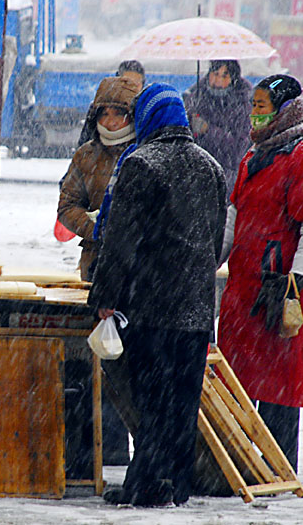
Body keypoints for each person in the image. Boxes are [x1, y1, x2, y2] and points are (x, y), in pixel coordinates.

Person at [89, 83, 227, 506]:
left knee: (151, 400)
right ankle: (176, 484)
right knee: (183, 402)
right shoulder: (212, 167)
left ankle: (146, 486)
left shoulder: (140, 164)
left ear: (149, 117)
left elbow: (120, 240)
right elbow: (217, 240)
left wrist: (105, 295)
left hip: (150, 306)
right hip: (197, 309)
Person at [217, 75, 303, 473]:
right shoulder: (253, 157)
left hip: (280, 292)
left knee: (278, 385)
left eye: (262, 105)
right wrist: (214, 256)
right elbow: (235, 215)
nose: (254, 113)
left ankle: (276, 467)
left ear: (284, 111)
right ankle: (235, 463)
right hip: (245, 289)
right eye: (252, 105)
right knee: (236, 378)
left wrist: (296, 280)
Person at [57, 76, 139, 473]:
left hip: (136, 273)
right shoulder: (86, 156)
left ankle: (122, 447)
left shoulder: (142, 153)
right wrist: (95, 227)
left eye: (119, 112)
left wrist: (121, 230)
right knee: (94, 357)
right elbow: (67, 205)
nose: (111, 120)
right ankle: (92, 447)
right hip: (94, 270)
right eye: (104, 112)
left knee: (127, 363)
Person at [182, 60, 252, 196]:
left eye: (225, 75)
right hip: (195, 173)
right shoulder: (194, 96)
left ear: (233, 79)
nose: (218, 80)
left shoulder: (243, 105)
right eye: (215, 73)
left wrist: (208, 130)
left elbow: (239, 145)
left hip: (226, 177)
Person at [76, 60, 145, 148]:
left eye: (136, 82)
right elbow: (86, 140)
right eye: (126, 81)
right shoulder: (103, 104)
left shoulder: (145, 109)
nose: (131, 86)